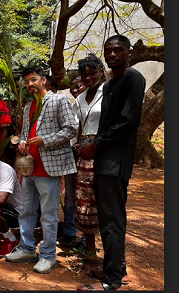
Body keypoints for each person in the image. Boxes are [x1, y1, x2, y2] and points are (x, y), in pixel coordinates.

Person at [76, 35, 145, 291]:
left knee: (112, 220)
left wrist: (97, 144)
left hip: (115, 162)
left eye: (118, 49)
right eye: (108, 50)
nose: (113, 54)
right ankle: (115, 267)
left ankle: (112, 281)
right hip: (103, 160)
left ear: (129, 51)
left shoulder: (132, 78)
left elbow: (129, 121)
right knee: (108, 219)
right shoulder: (112, 83)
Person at [5, 66, 77, 274]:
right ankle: (27, 248)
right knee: (26, 210)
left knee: (48, 214)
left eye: (33, 80)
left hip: (49, 167)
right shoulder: (29, 106)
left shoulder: (59, 100)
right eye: (27, 82)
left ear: (44, 80)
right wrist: (23, 142)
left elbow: (70, 129)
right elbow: (27, 133)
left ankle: (48, 255)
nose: (30, 85)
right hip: (29, 167)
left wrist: (45, 140)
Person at [67, 54, 106, 262]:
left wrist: (97, 144)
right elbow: (75, 127)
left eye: (93, 73)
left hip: (104, 152)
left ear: (101, 72)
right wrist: (75, 146)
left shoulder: (108, 93)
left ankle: (112, 255)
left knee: (104, 202)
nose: (89, 77)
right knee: (85, 201)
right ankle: (89, 250)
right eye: (85, 74)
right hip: (83, 156)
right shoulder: (80, 99)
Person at [59, 74, 89, 247]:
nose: (76, 89)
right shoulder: (72, 107)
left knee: (86, 196)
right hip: (71, 154)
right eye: (73, 86)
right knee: (70, 196)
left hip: (87, 154)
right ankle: (69, 233)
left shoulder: (96, 106)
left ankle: (86, 237)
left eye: (80, 85)